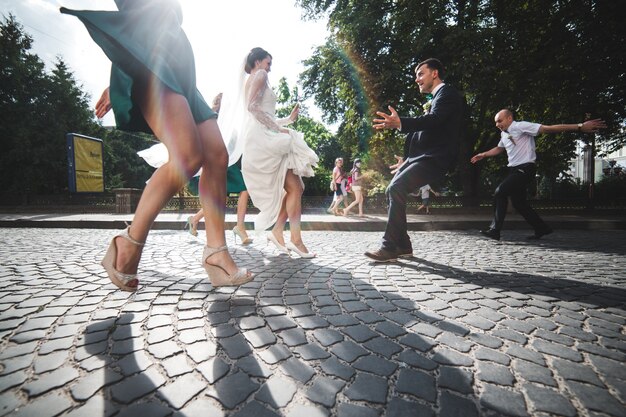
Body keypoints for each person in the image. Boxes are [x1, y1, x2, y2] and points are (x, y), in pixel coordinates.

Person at [60, 0, 252, 289]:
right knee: (187, 156)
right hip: (150, 59)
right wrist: (122, 74)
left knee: (217, 155)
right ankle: (128, 243)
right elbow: (134, 15)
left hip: (180, 64)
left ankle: (216, 252)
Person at [365, 58, 464, 262]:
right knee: (391, 189)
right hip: (421, 156)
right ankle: (403, 245)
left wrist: (401, 123)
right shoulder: (436, 98)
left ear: (434, 73)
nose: (417, 80)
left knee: (396, 188)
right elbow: (427, 131)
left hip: (435, 158)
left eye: (420, 74)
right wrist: (407, 159)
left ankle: (389, 246)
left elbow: (433, 121)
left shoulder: (448, 94)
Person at [471, 109, 607, 240]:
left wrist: (579, 126)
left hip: (525, 168)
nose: (497, 125)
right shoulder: (504, 133)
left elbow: (547, 128)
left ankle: (495, 230)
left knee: (500, 192)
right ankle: (542, 228)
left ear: (509, 118)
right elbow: (499, 148)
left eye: (499, 121)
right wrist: (483, 154)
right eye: (495, 122)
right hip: (514, 170)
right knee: (519, 204)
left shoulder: (521, 126)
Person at [238, 48, 319, 258]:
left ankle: (279, 232)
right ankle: (295, 240)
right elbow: (253, 108)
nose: (269, 68)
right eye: (267, 63)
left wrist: (287, 121)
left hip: (261, 135)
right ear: (257, 61)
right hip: (264, 138)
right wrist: (278, 129)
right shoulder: (260, 75)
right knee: (296, 187)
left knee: (295, 187)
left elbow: (262, 113)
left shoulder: (253, 78)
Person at [186, 93, 253, 245]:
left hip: (229, 163)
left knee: (226, 196)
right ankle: (239, 227)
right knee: (238, 191)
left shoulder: (225, 120)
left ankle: (195, 219)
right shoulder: (214, 118)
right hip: (221, 163)